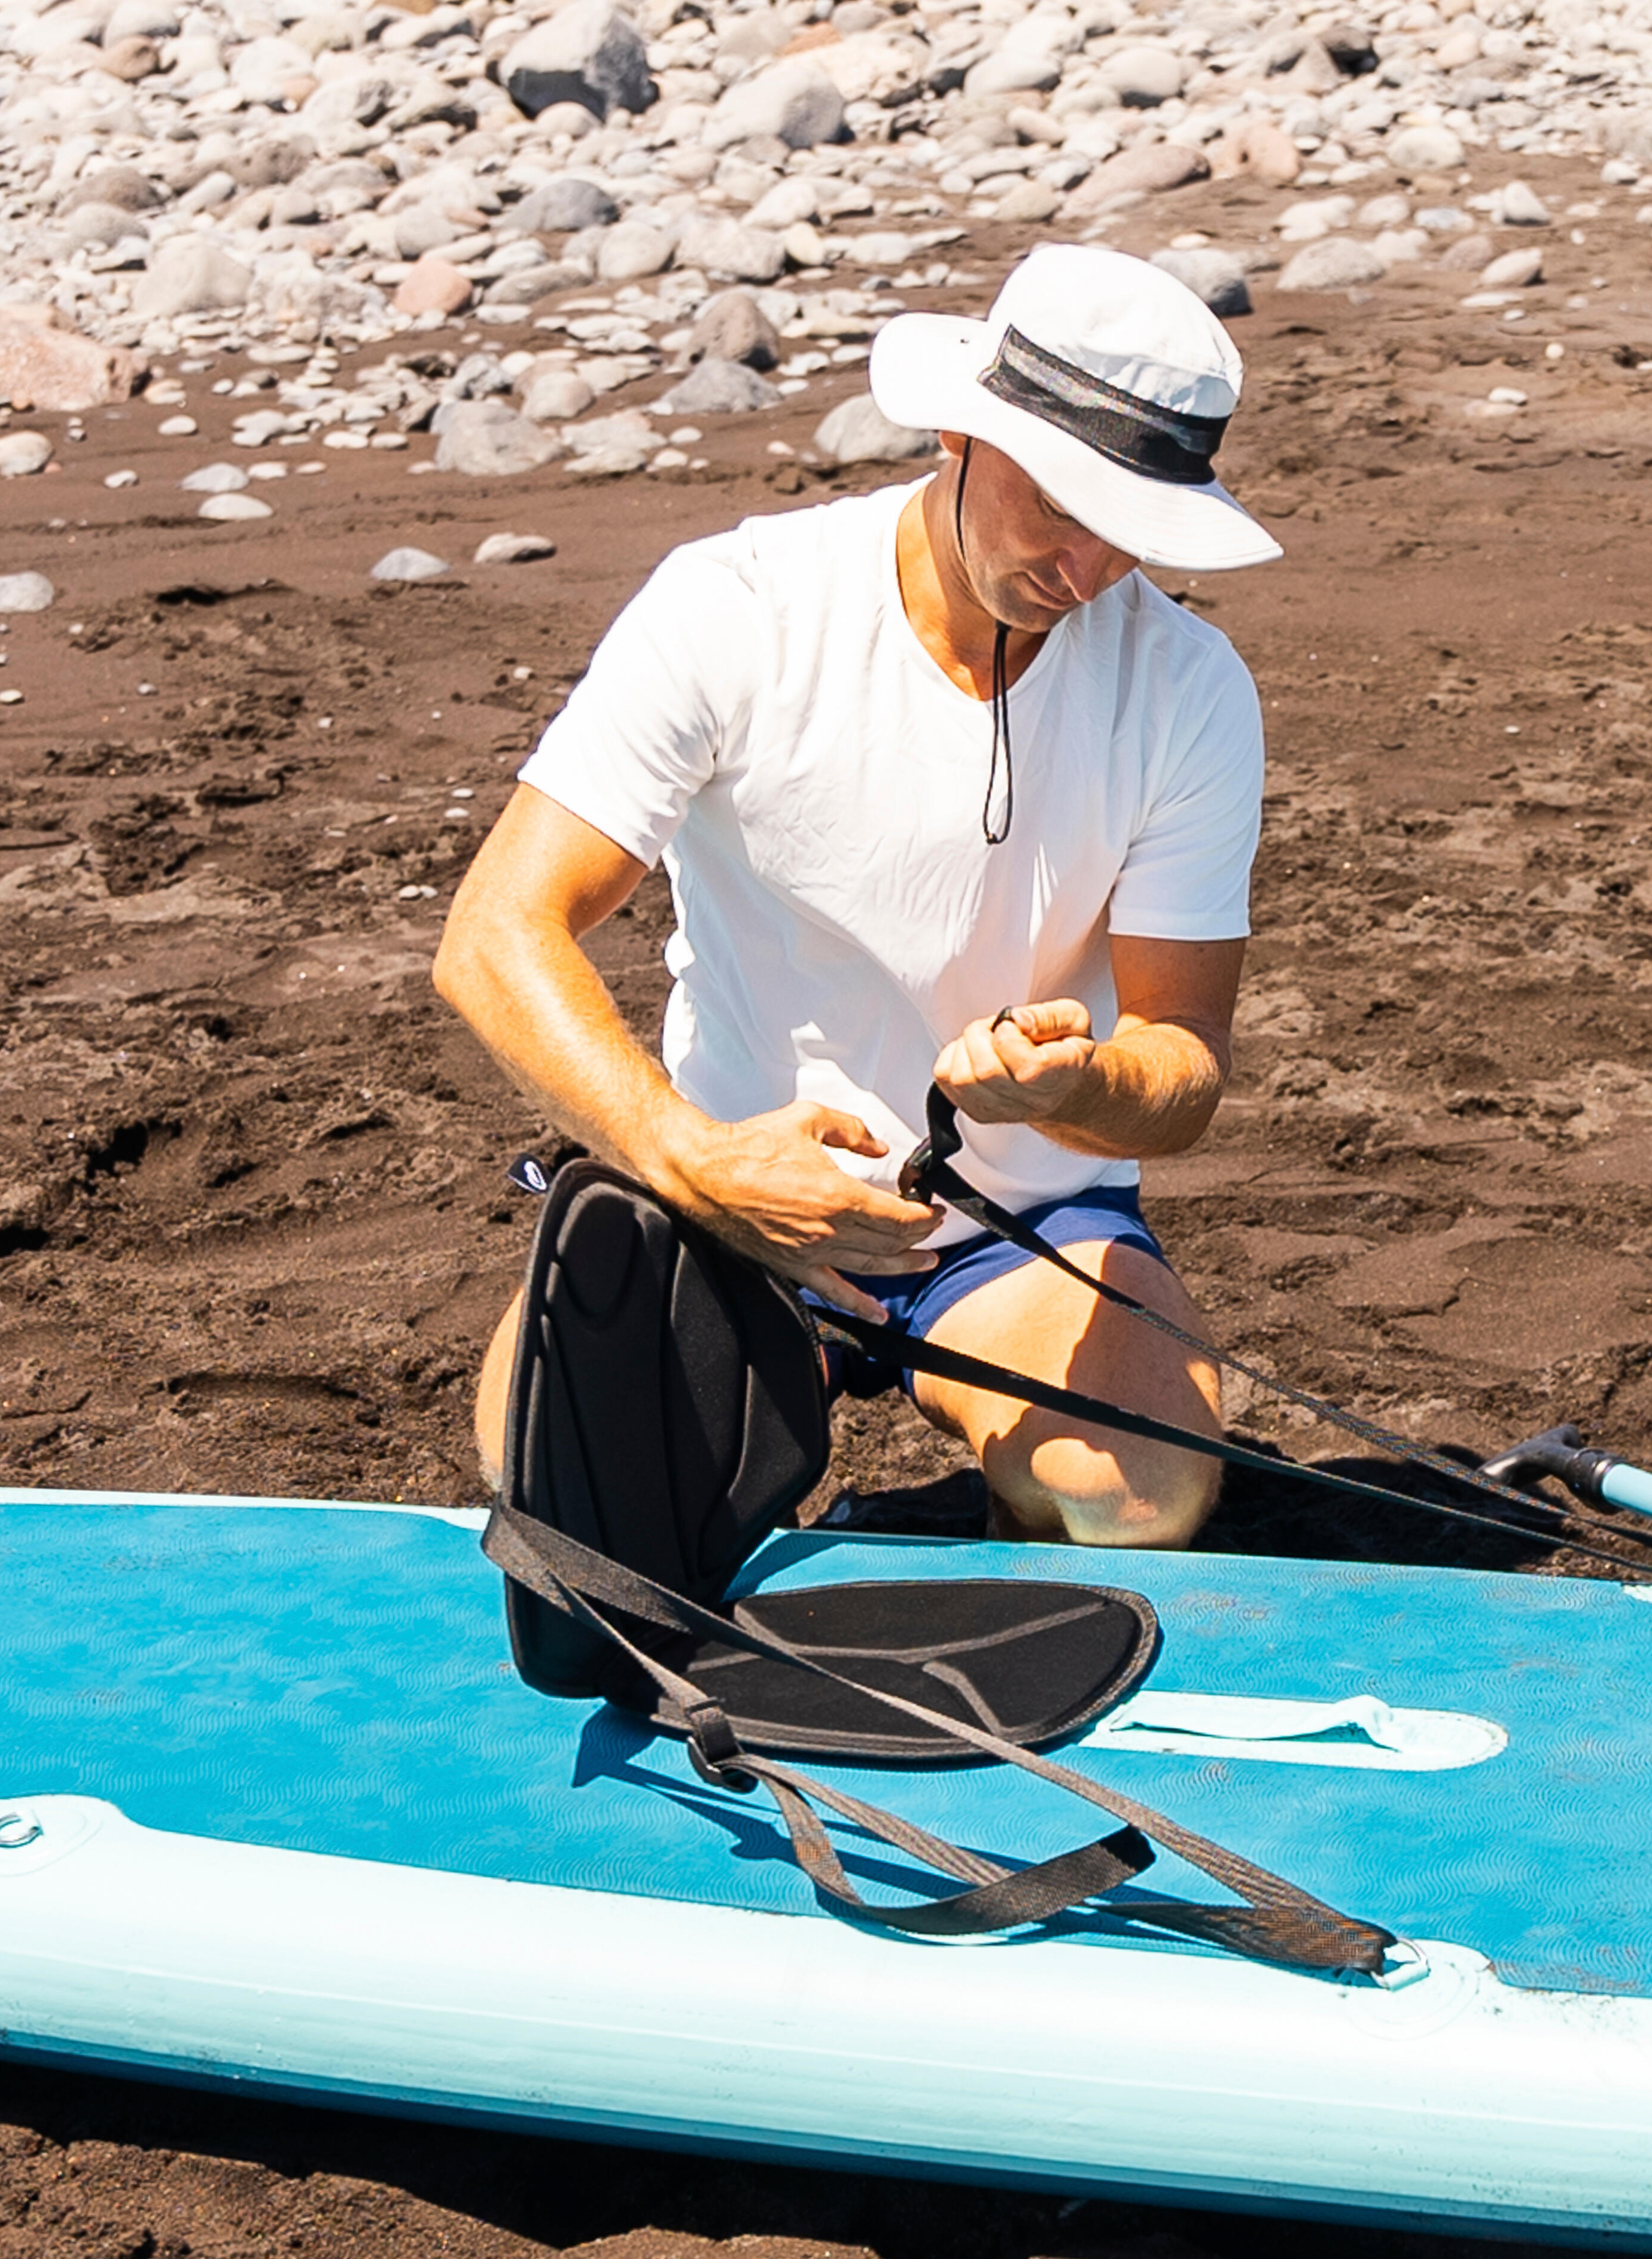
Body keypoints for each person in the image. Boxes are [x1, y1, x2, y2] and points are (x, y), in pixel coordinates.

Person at [435, 244, 1281, 1549]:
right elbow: (494, 933)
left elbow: (1185, 1063)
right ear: (958, 430)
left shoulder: (1190, 688)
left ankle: (920, 1520)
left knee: (1138, 1496)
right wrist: (693, 1158)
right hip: (742, 1191)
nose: (1089, 567)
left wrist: (1080, 1088)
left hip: (1024, 1220)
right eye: (1062, 505)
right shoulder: (742, 609)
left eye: (1136, 531)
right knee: (559, 1490)